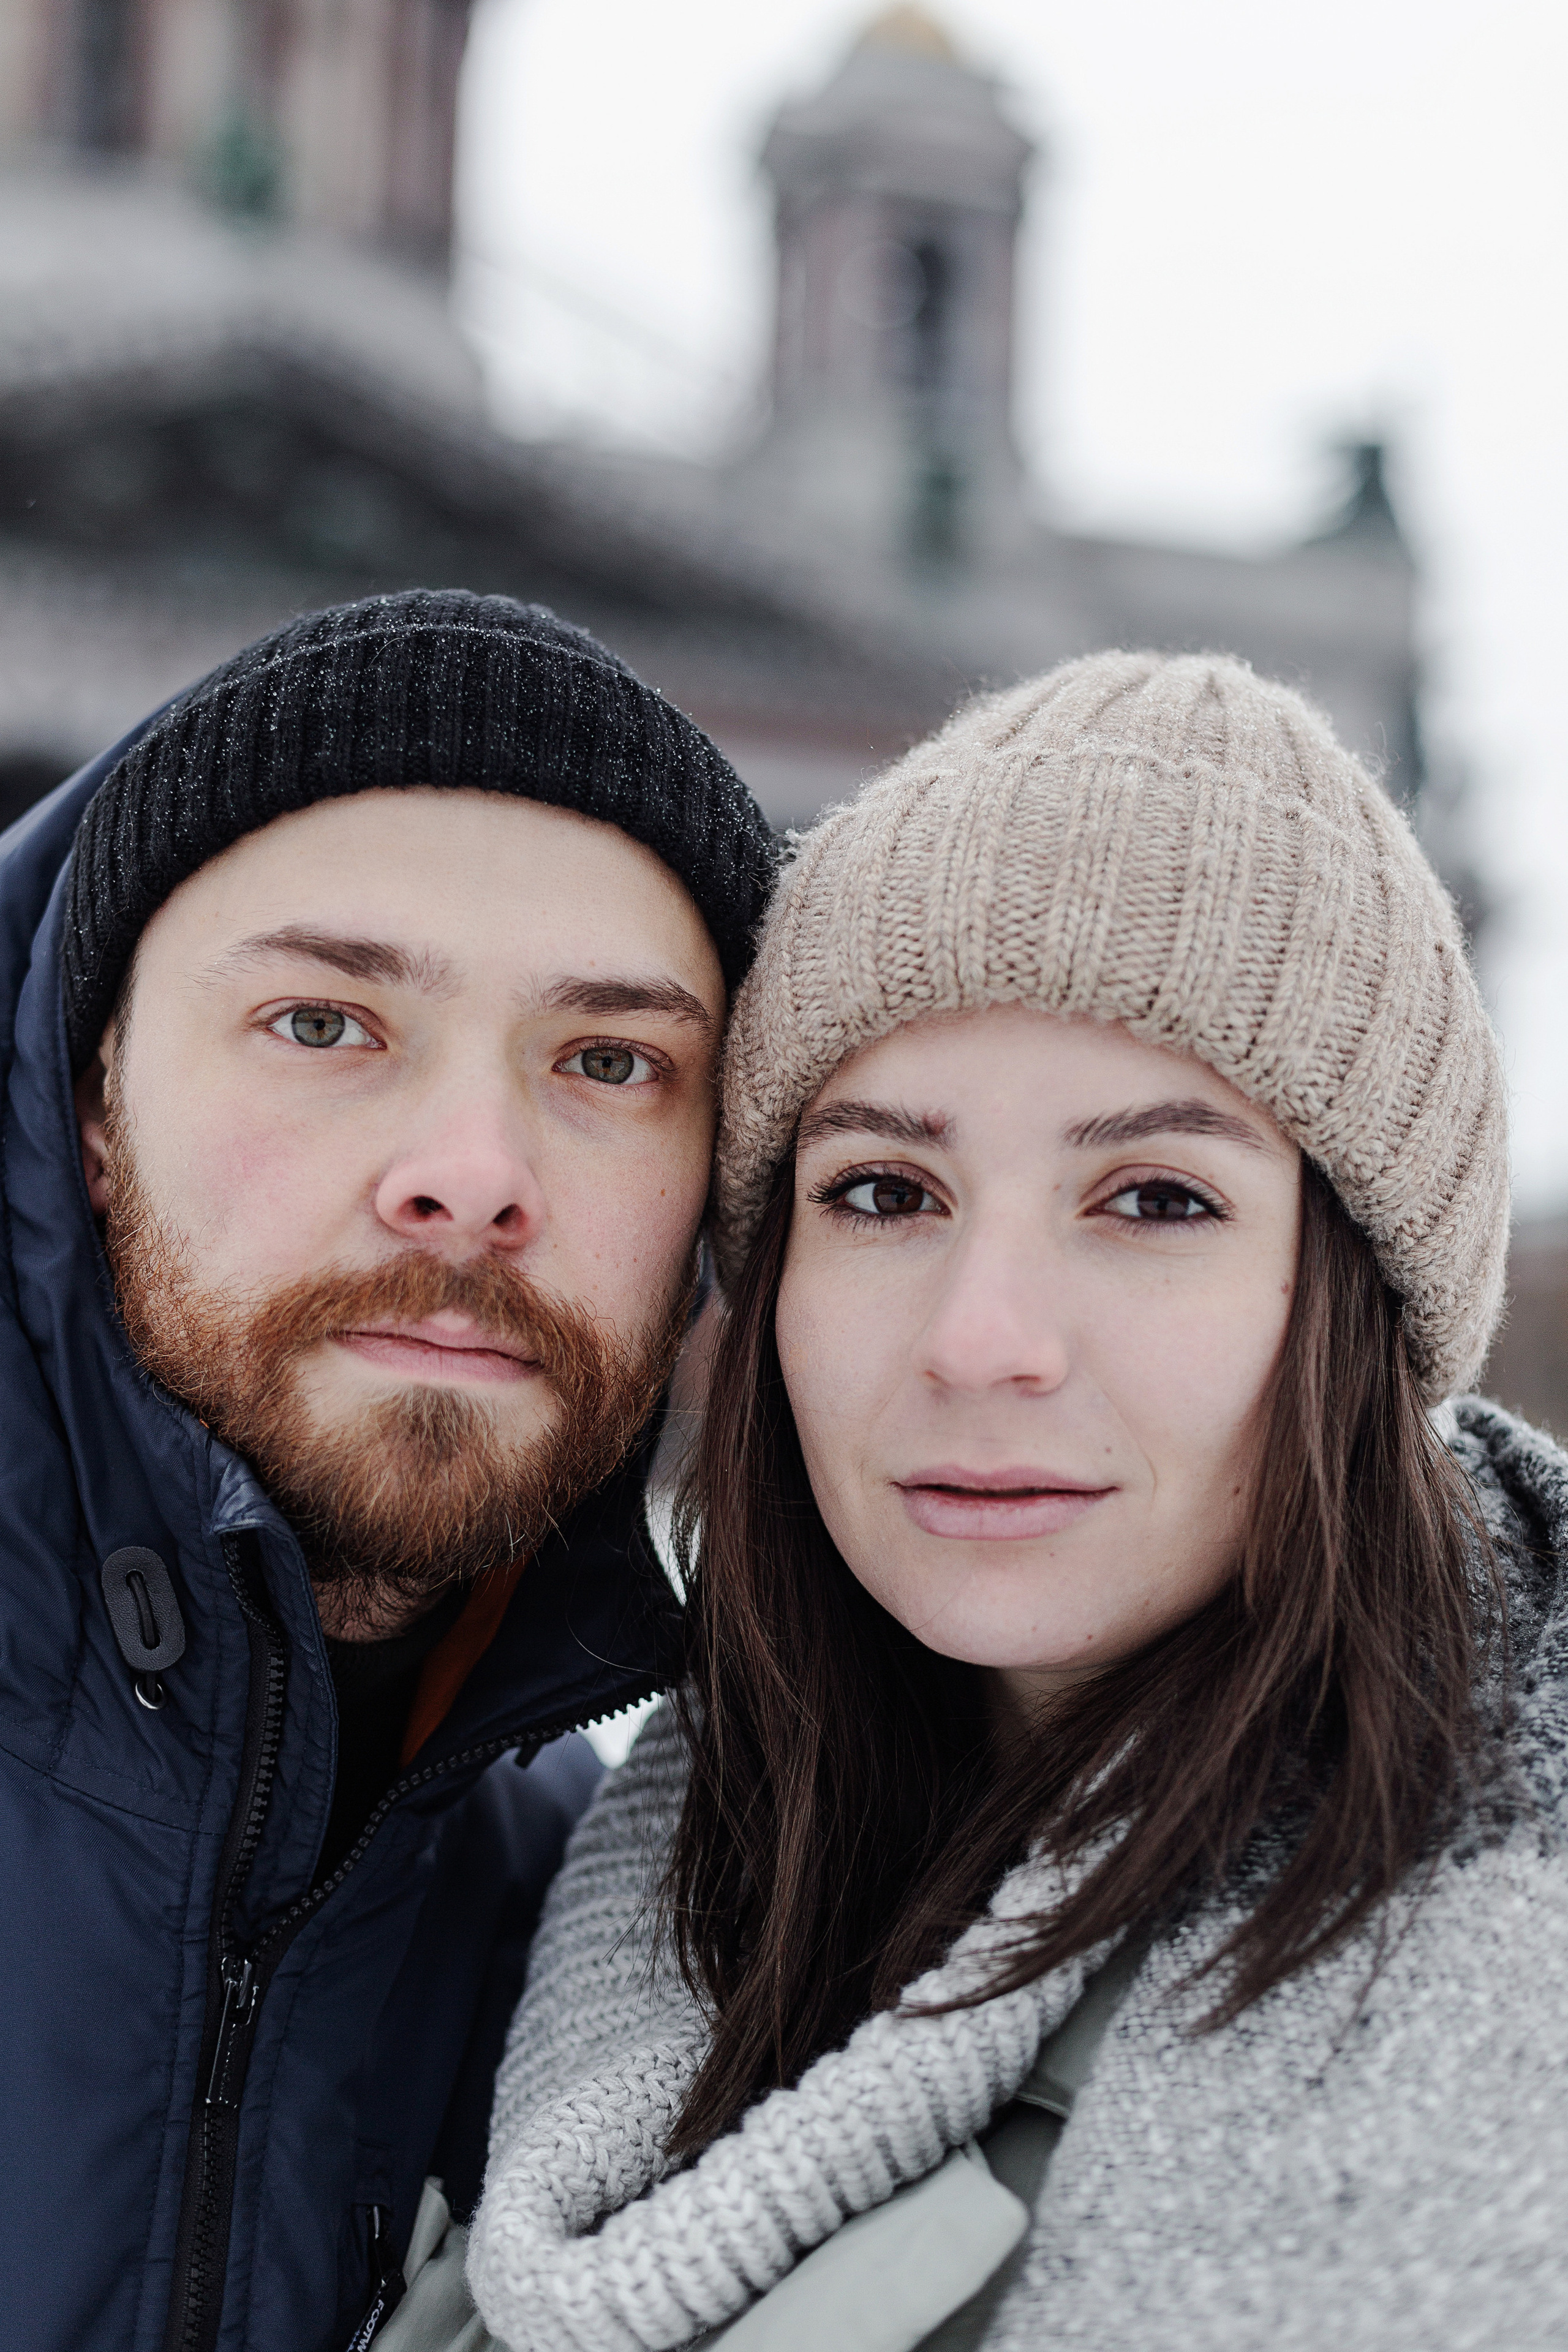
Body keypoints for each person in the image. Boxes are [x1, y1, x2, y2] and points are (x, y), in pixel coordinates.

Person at [461, 652, 1568, 2352]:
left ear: (1364, 1304)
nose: (982, 1341)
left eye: (1157, 1199)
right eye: (883, 1191)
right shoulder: (616, 1885)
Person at [0, 588, 774, 2352]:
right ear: (94, 1100)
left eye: (611, 1062)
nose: (473, 1173)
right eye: (324, 1023)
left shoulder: (612, 1953)